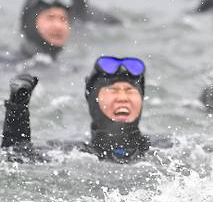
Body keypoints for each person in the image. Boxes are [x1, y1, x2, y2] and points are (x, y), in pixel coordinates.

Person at [1, 56, 170, 163]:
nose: (122, 97)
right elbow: (15, 157)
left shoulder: (166, 149)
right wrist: (17, 108)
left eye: (130, 90)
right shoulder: (72, 154)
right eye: (112, 90)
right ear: (93, 100)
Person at [1, 0, 71, 66]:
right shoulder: (6, 63)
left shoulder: (71, 68)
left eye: (63, 19)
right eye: (50, 18)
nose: (58, 26)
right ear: (30, 24)